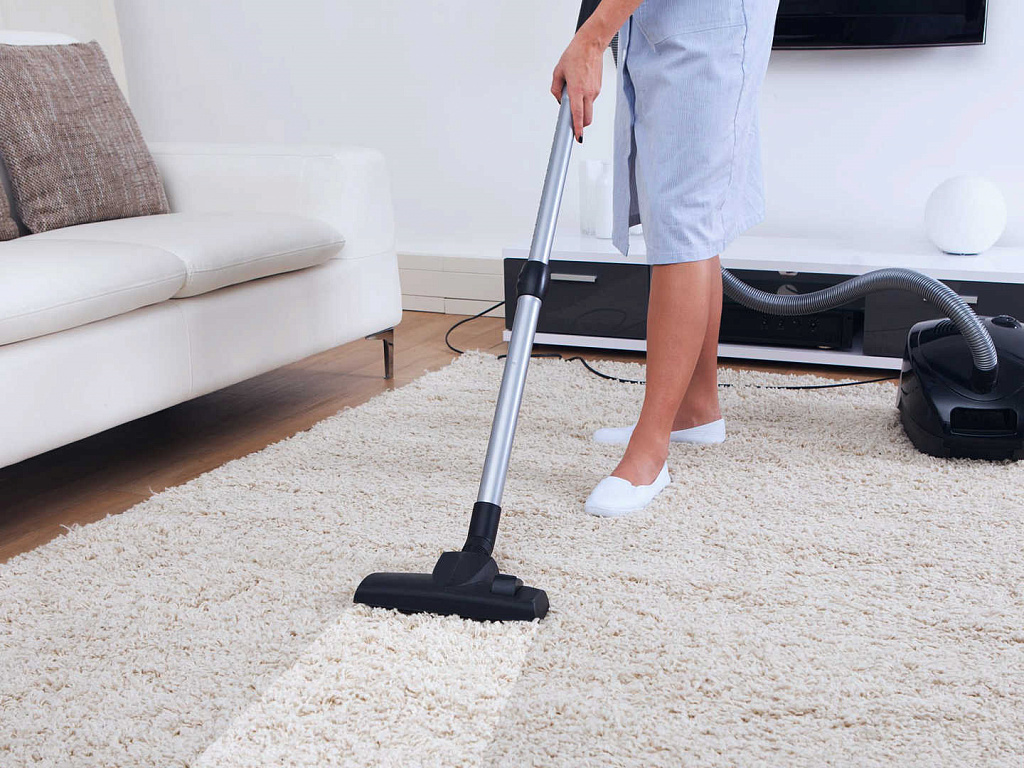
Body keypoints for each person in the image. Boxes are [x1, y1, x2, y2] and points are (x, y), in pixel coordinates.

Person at [551, 0, 780, 517]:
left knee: (683, 226)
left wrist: (591, 38)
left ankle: (650, 451)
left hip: (705, 24)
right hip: (663, 21)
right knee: (684, 222)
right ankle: (696, 411)